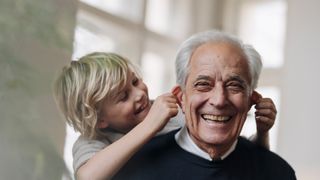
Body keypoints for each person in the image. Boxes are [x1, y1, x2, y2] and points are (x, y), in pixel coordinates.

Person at [53, 52, 277, 180]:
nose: (140, 94)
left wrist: (262, 132)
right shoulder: (94, 140)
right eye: (123, 96)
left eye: (135, 81)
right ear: (100, 119)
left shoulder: (172, 111)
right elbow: (88, 177)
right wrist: (150, 125)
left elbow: (239, 159)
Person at [113, 31, 296, 180]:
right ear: (181, 98)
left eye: (234, 85)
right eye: (203, 84)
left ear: (250, 100)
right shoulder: (133, 167)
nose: (219, 100)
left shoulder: (278, 173)